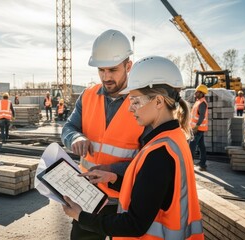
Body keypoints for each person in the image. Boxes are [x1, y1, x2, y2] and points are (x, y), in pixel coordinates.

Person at [63, 56, 204, 239]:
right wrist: (113, 177)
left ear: (159, 102)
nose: (130, 108)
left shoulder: (159, 153)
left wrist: (81, 217)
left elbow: (134, 224)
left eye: (136, 101)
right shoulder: (173, 139)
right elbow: (149, 191)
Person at [61, 29, 146, 240]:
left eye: (112, 70)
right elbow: (68, 128)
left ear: (128, 66)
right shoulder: (88, 95)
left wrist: (112, 170)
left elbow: (148, 160)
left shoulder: (143, 101)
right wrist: (75, 138)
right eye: (101, 70)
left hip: (125, 200)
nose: (106, 77)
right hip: (89, 197)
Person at [189, 84, 209, 171]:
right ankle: (203, 164)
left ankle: (189, 164)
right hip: (197, 128)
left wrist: (196, 127)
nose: (195, 93)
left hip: (198, 129)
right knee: (201, 146)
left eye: (197, 92)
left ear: (201, 93)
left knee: (192, 146)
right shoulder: (198, 101)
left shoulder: (202, 103)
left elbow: (202, 116)